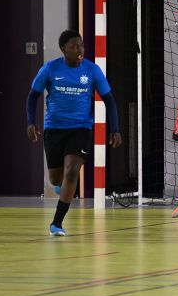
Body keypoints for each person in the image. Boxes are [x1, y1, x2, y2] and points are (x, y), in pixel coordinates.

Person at [26, 30, 122, 236]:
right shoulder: (50, 69)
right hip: (54, 128)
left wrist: (115, 129)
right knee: (55, 179)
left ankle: (57, 223)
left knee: (72, 171)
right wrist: (31, 122)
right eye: (74, 46)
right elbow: (33, 96)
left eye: (82, 45)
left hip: (81, 128)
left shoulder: (92, 70)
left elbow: (109, 100)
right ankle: (61, 185)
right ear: (63, 49)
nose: (80, 50)